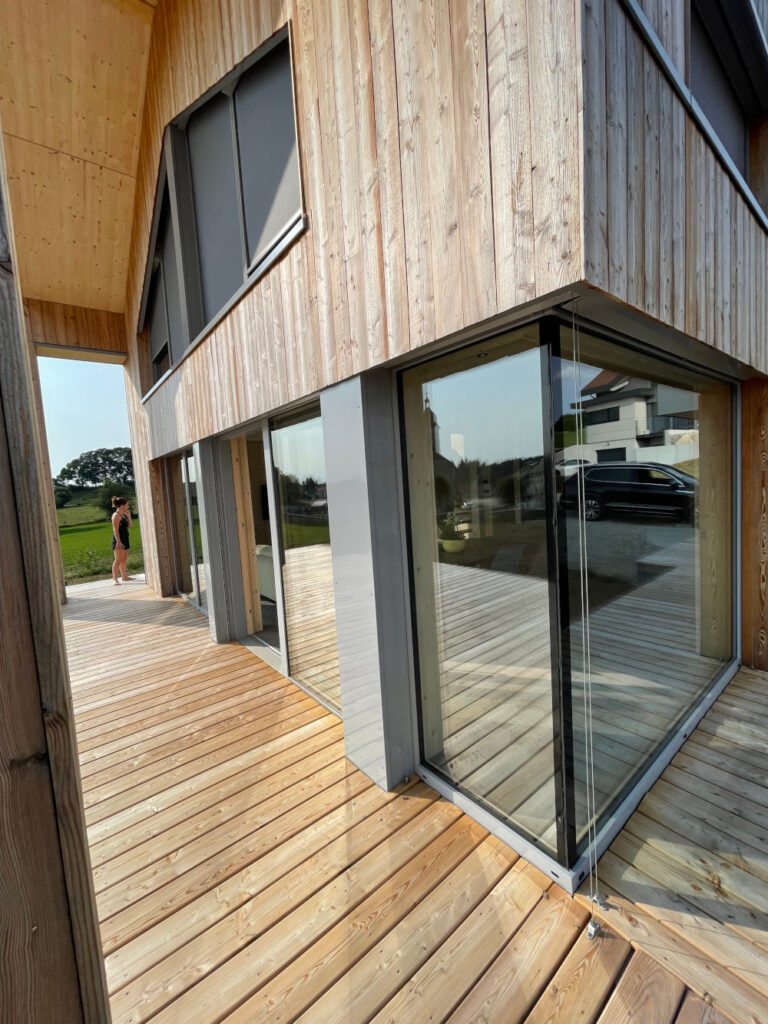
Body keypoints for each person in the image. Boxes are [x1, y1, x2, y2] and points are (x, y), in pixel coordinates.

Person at [111, 496, 134, 585]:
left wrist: (129, 516)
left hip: (125, 538)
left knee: (124, 559)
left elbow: (130, 526)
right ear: (122, 505)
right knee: (118, 560)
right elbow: (115, 530)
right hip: (118, 540)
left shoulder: (124, 514)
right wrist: (118, 541)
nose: (128, 506)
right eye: (127, 505)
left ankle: (124, 577)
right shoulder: (116, 516)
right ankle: (114, 579)